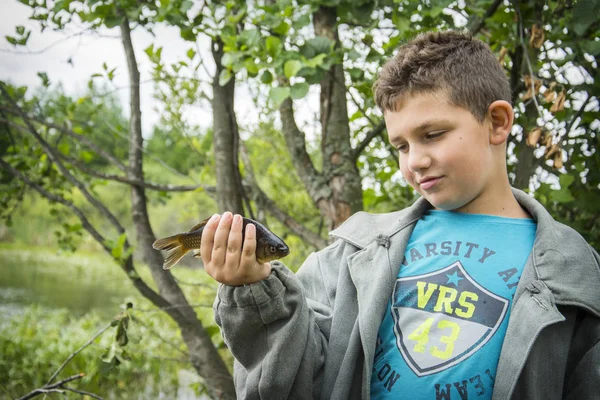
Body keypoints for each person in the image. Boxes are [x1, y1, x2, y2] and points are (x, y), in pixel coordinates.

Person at [199, 30, 600, 399]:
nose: (416, 161)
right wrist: (255, 290)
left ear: (497, 122)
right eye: (401, 146)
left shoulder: (576, 272)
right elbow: (292, 383)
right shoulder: (351, 255)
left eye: (432, 135)